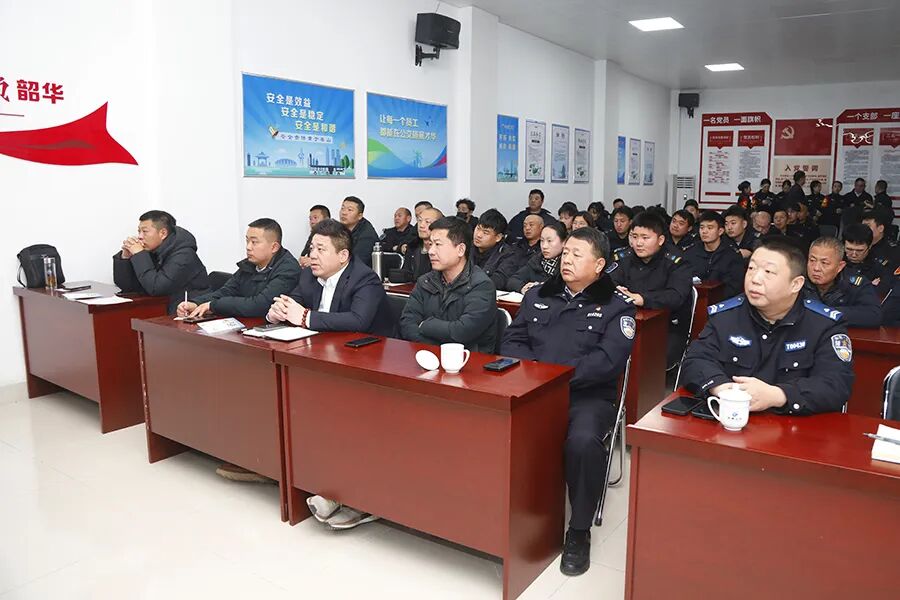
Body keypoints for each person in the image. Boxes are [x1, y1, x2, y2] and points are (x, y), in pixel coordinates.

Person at [501, 227, 635, 577]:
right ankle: (510, 513)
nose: (567, 260)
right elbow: (513, 340)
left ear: (599, 265)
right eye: (566, 253)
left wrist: (554, 379)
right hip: (535, 391)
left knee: (583, 442)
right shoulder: (538, 295)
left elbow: (607, 362)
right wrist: (537, 376)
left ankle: (578, 530)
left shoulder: (617, 307)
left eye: (578, 254)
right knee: (497, 426)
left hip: (587, 396)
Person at [681, 237, 854, 416]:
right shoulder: (725, 316)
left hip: (793, 424)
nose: (755, 279)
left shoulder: (824, 325)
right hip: (732, 417)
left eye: (768, 272)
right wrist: (724, 389)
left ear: (795, 284)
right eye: (751, 268)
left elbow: (836, 384)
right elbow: (695, 361)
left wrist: (778, 395)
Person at [268, 220, 394, 335]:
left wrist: (306, 317)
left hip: (367, 347)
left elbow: (358, 320)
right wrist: (278, 313)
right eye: (312, 248)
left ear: (343, 256)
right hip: (324, 343)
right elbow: (293, 304)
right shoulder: (308, 274)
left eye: (320, 249)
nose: (312, 255)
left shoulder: (365, 278)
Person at [606, 211, 692, 367]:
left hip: (667, 326)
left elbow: (676, 296)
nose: (638, 243)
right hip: (626, 321)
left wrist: (642, 299)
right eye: (634, 236)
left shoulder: (677, 261)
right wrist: (615, 288)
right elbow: (607, 280)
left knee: (650, 357)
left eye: (645, 238)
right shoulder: (623, 257)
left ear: (660, 240)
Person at [399, 217, 497, 352]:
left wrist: (424, 325)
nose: (431, 251)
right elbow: (407, 323)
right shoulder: (425, 281)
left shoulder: (481, 285)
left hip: (468, 359)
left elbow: (462, 332)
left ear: (460, 250)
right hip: (427, 355)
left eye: (438, 244)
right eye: (430, 244)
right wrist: (433, 347)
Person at [178, 218, 300, 319]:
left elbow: (259, 306)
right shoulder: (249, 265)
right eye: (247, 241)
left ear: (274, 247)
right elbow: (226, 291)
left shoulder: (288, 269)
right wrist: (196, 303)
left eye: (254, 242)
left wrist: (213, 305)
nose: (248, 247)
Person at [113, 210, 209, 313]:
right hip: (161, 307)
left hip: (186, 311)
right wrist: (125, 257)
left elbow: (156, 288)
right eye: (139, 231)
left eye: (145, 231)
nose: (140, 236)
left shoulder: (184, 255)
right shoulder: (152, 250)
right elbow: (128, 286)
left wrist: (140, 255)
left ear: (163, 233)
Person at [803, 237, 882, 328]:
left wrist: (828, 312)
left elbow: (874, 315)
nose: (816, 268)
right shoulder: (796, 280)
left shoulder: (855, 284)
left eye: (824, 263)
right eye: (812, 260)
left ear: (840, 266)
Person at [685, 211, 746, 298]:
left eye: (710, 228)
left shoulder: (732, 256)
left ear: (720, 231)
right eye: (702, 228)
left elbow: (734, 288)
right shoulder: (690, 252)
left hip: (721, 301)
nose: (704, 231)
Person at [507, 222, 567, 293]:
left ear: (564, 242)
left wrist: (539, 286)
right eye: (542, 240)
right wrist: (523, 287)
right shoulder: (536, 261)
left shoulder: (568, 264)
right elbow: (512, 281)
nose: (544, 246)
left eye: (549, 241)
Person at [472, 208, 523, 291]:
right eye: (478, 228)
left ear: (498, 237)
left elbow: (498, 281)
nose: (478, 235)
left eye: (485, 232)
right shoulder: (466, 247)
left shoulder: (508, 255)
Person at [393, 207, 444, 283]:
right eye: (419, 220)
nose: (421, 225)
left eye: (427, 222)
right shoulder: (412, 247)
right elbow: (406, 275)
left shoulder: (443, 250)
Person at [842, 223, 889, 294]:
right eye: (849, 249)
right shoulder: (835, 260)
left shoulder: (879, 266)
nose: (854, 254)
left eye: (859, 250)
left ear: (869, 246)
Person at [339, 196, 379, 267]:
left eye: (349, 210)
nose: (344, 212)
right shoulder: (339, 228)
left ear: (360, 216)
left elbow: (357, 262)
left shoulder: (367, 235)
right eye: (342, 208)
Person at [862, 209, 899, 274]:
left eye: (867, 226)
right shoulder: (857, 247)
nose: (862, 229)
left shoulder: (894, 251)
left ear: (881, 228)